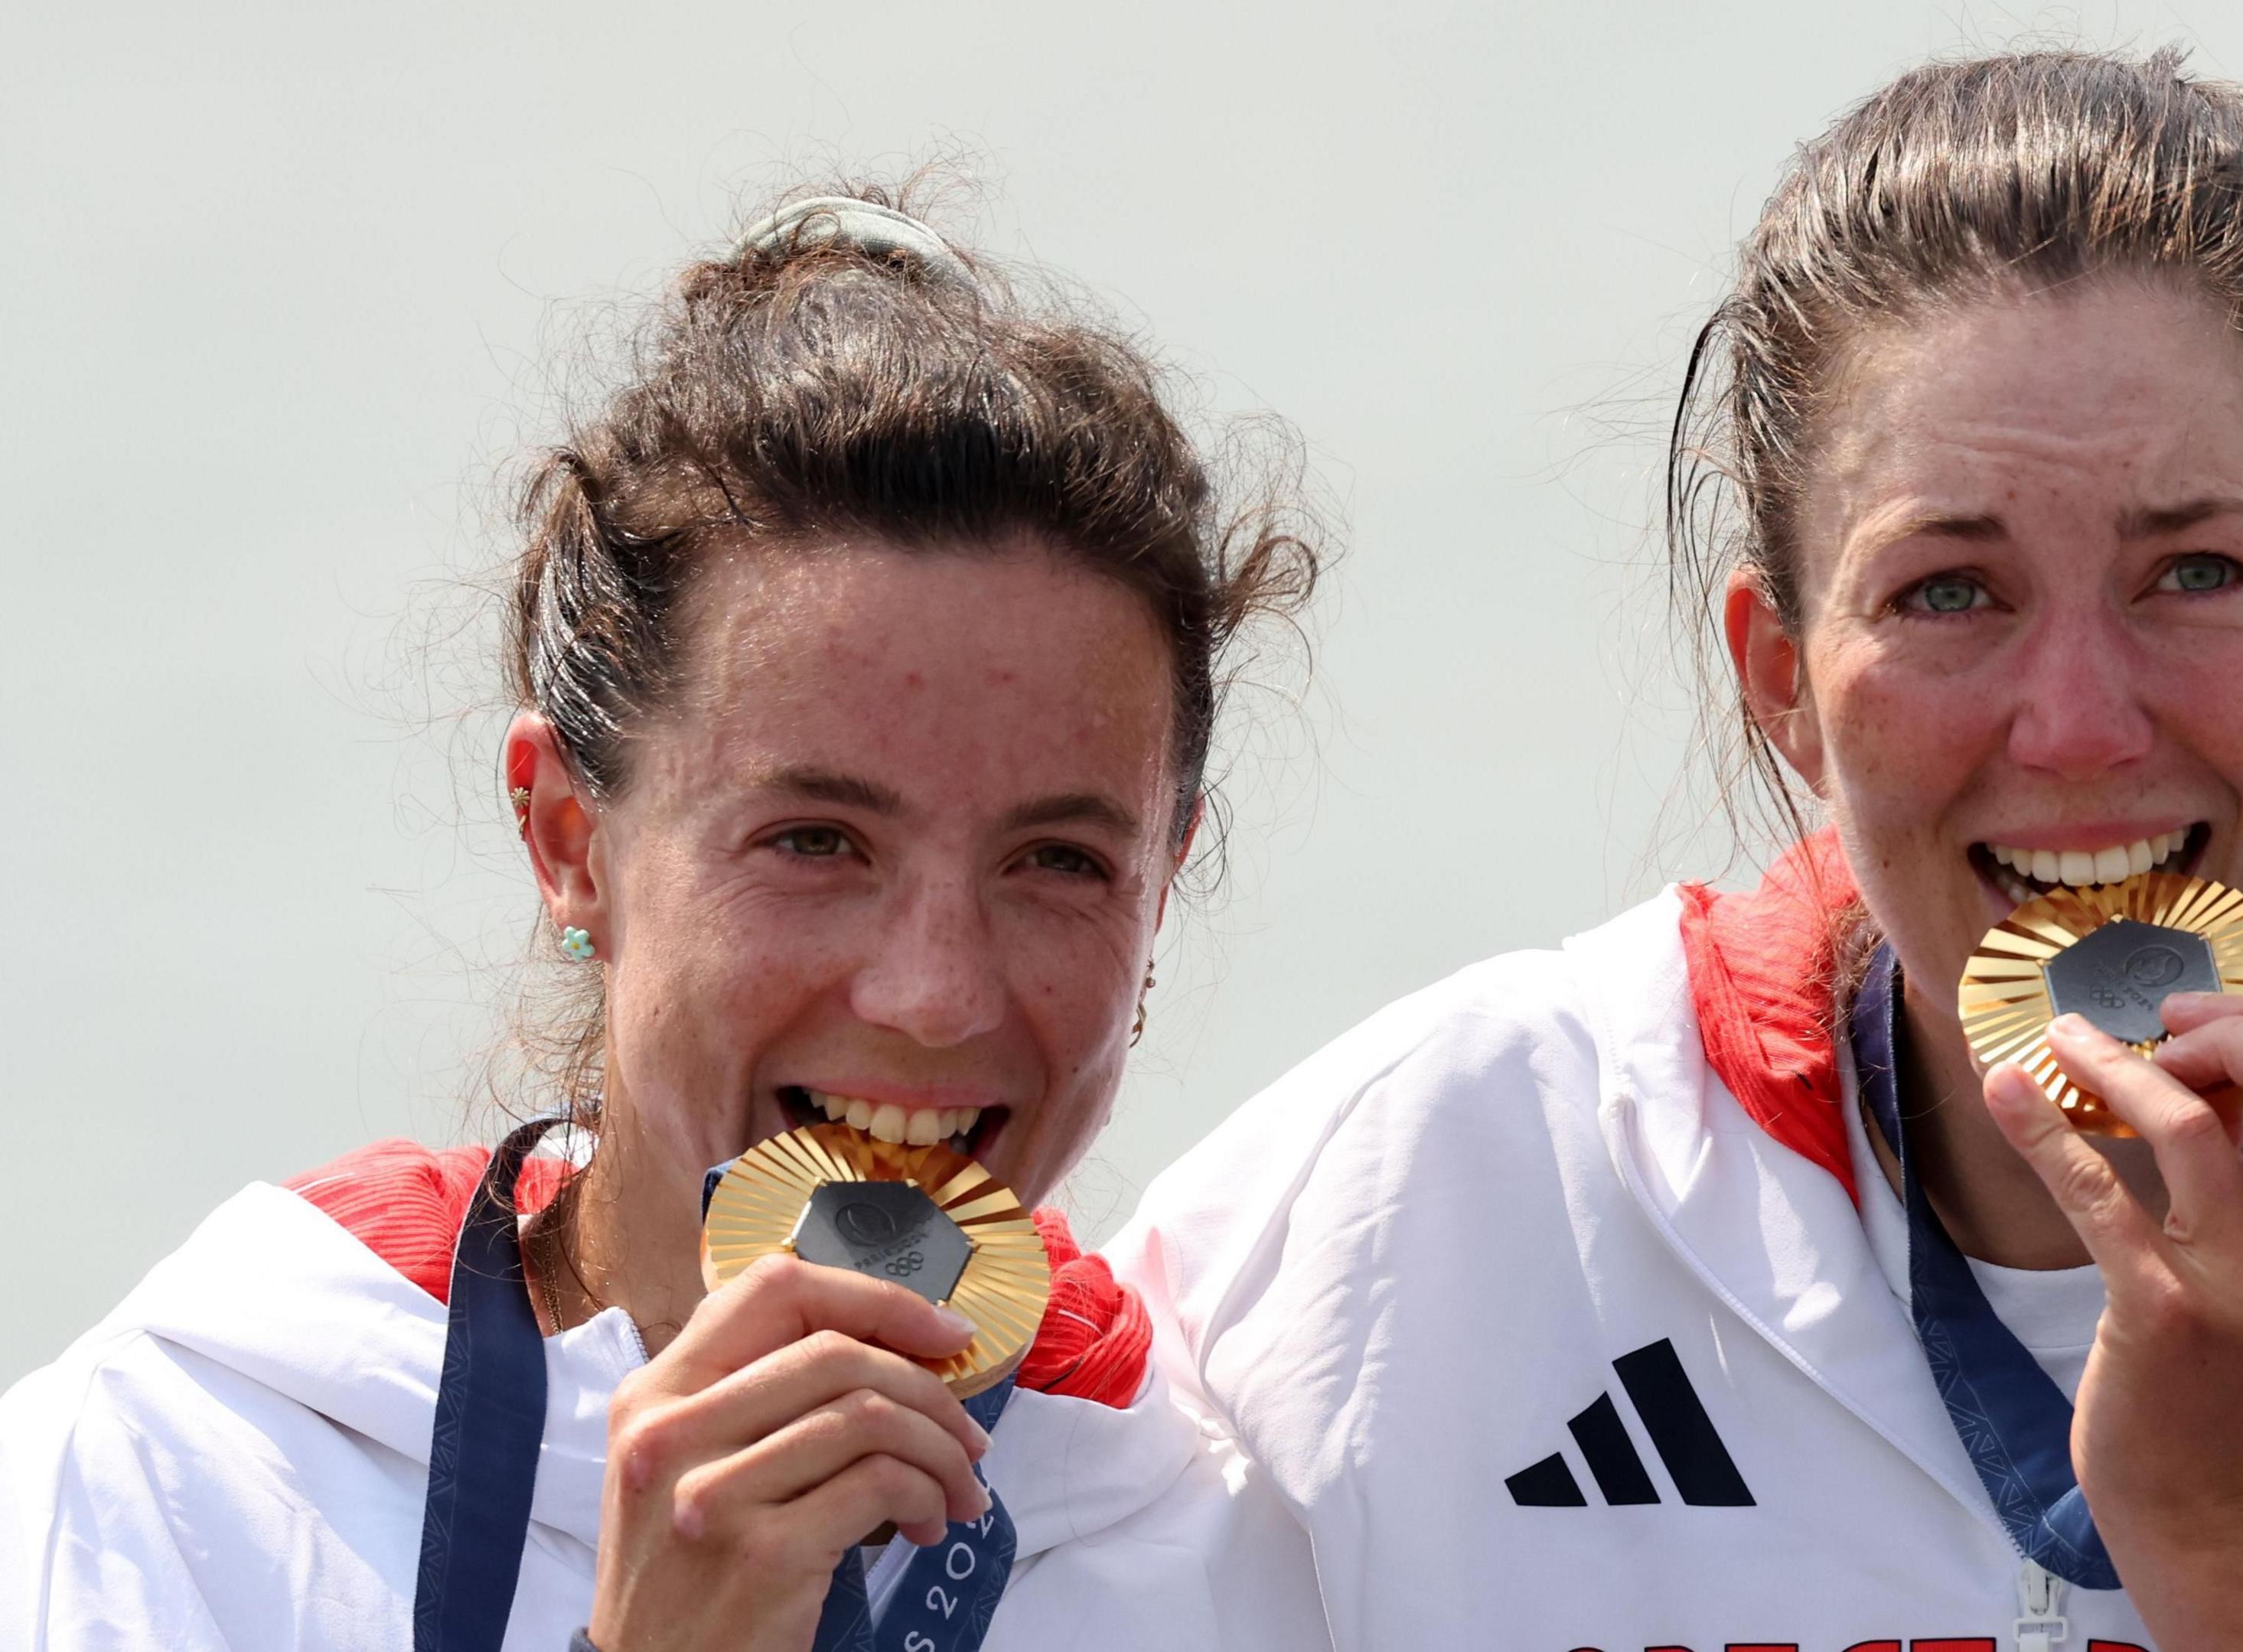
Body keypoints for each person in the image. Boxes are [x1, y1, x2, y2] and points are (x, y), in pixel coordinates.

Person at [1100, 49, 2243, 1651]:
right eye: (1950, 589)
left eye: (2195, 574)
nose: (2075, 724)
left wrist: (2228, 1527)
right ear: (1782, 682)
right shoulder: (1436, 1204)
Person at [0, 189, 1329, 1651]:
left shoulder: (1240, 1553)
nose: (936, 993)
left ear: (1162, 885)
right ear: (572, 842)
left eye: (1060, 861)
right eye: (817, 840)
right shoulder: (193, 1480)